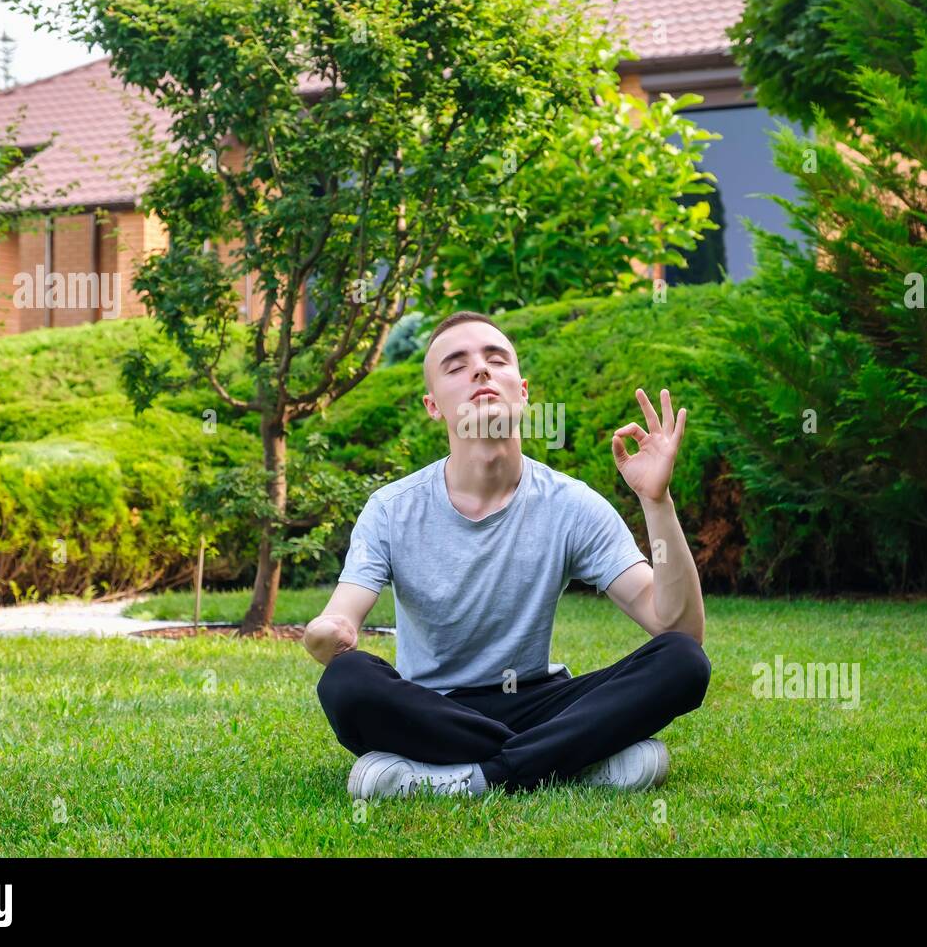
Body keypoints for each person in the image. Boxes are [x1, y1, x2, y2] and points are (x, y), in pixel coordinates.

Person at [304, 310, 711, 799]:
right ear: (434, 406)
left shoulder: (571, 503)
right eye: (457, 366)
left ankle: (470, 778)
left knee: (683, 662)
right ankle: (575, 761)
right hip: (433, 709)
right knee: (346, 682)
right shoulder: (392, 510)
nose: (480, 370)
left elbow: (679, 631)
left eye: (496, 360)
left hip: (539, 700)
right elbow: (339, 618)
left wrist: (656, 501)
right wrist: (327, 635)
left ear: (522, 390)